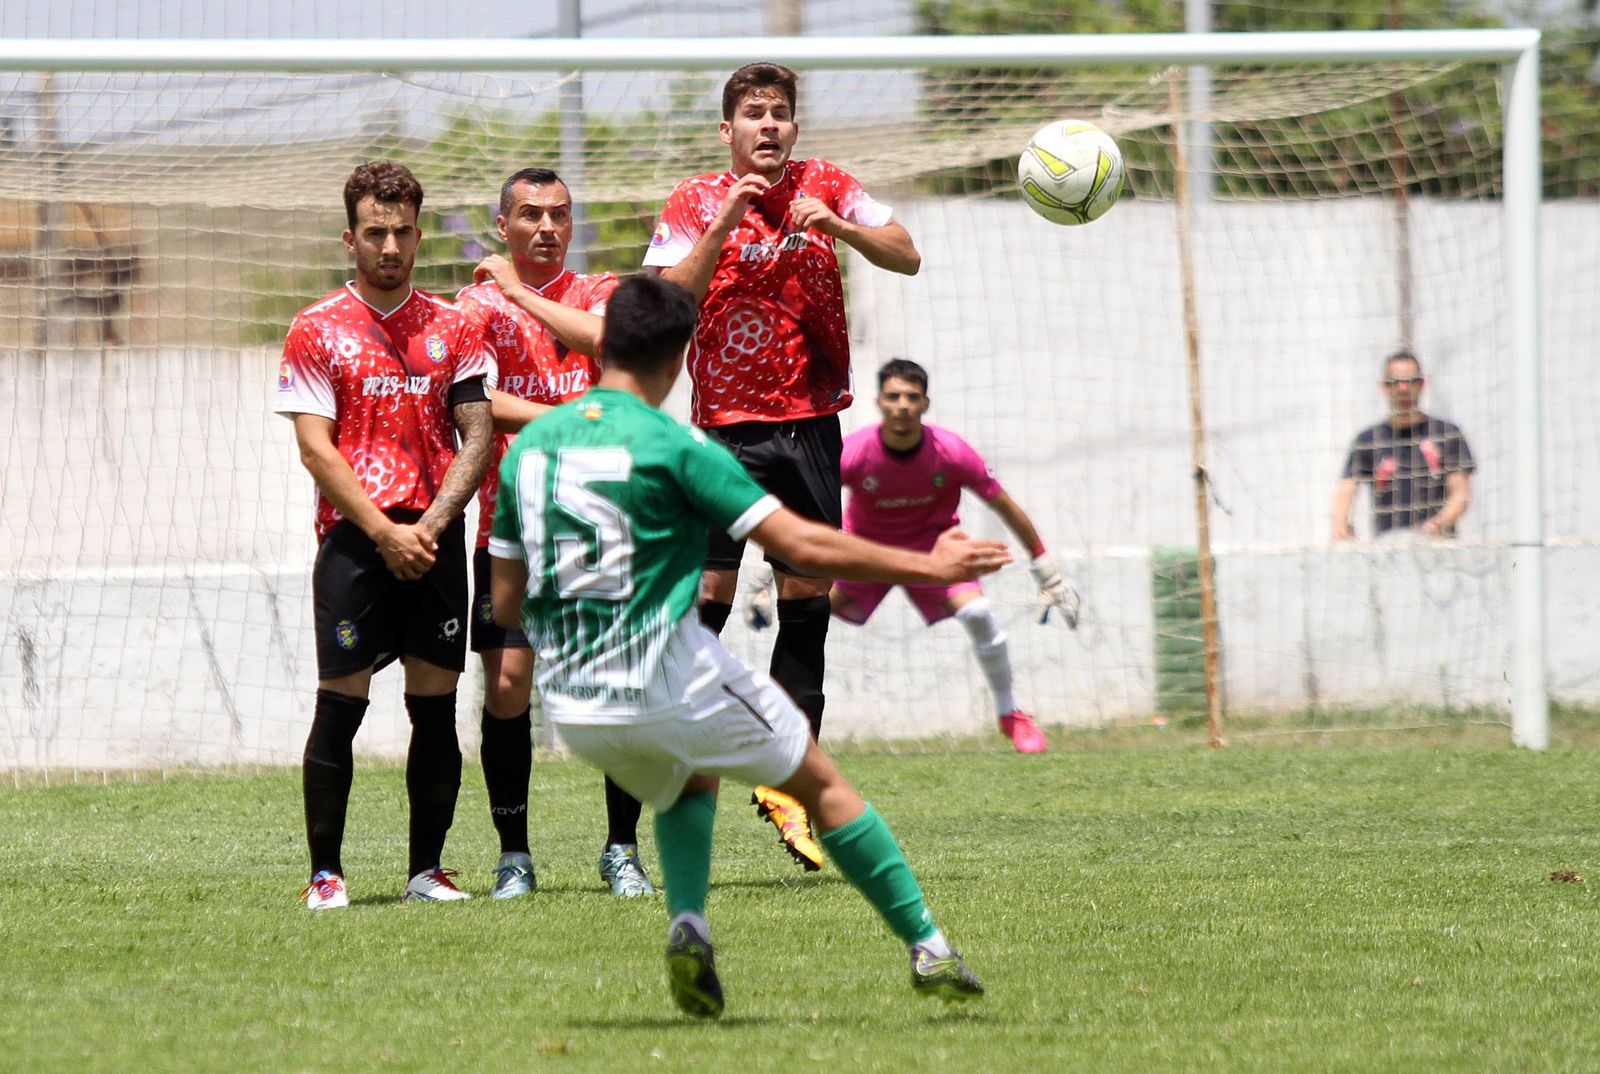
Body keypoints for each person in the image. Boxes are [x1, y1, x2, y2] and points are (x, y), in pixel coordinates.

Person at [487, 273, 1003, 1018]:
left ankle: (690, 922)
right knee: (822, 783)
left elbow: (506, 601)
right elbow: (800, 545)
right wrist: (932, 564)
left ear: (603, 348)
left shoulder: (529, 447)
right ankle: (929, 948)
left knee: (689, 775)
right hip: (663, 675)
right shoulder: (676, 444)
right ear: (678, 361)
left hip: (571, 705)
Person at [642, 61, 922, 869]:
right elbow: (664, 306)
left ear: (795, 128)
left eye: (781, 114)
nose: (769, 126)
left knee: (807, 605)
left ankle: (790, 795)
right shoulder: (694, 200)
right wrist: (726, 219)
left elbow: (906, 254)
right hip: (722, 432)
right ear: (726, 131)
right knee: (705, 604)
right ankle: (680, 770)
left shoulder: (827, 183)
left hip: (807, 428)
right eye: (753, 114)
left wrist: (837, 229)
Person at [274, 160, 494, 909]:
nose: (391, 245)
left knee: (435, 708)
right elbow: (315, 447)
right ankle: (325, 875)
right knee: (340, 705)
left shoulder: (455, 326)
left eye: (402, 231)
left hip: (432, 542)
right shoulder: (316, 328)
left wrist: (429, 527)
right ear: (350, 238)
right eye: (376, 231)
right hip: (354, 545)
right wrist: (383, 531)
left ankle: (425, 871)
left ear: (419, 234)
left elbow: (476, 435)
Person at [455, 167, 655, 899]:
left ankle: (622, 849)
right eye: (531, 214)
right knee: (508, 685)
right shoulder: (470, 306)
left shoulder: (600, 291)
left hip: (600, 523)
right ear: (501, 225)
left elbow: (612, 344)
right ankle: (514, 856)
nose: (547, 226)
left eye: (560, 215)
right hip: (511, 524)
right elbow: (474, 398)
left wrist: (518, 291)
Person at [745, 359, 1080, 753]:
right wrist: (768, 577)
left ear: (925, 403)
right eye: (894, 396)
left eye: (911, 397)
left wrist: (1046, 570)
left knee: (978, 613)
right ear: (879, 402)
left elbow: (1004, 506)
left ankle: (1011, 714)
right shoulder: (854, 453)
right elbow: (802, 508)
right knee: (805, 613)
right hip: (864, 556)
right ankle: (769, 721)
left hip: (936, 555)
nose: (902, 404)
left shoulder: (951, 452)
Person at [1332, 350, 1474, 541]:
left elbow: (1461, 495)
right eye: (1395, 382)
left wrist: (1435, 526)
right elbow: (1346, 491)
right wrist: (1341, 528)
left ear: (1422, 383)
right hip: (1387, 548)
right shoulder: (1368, 439)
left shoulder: (1446, 433)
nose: (1403, 388)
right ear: (1384, 386)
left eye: (1411, 381)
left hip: (1438, 546)